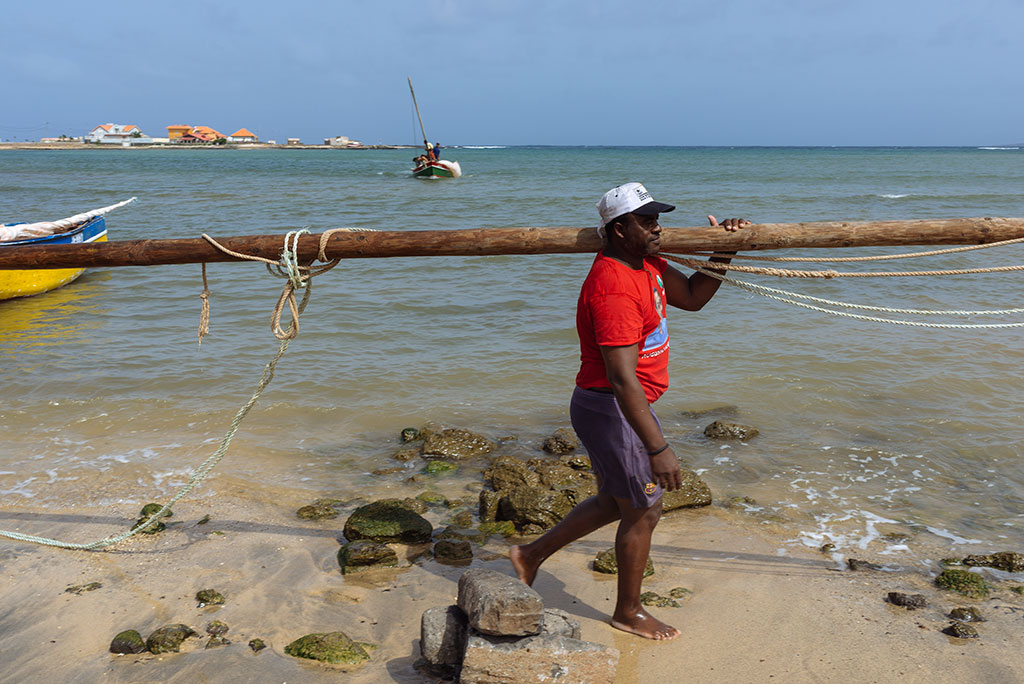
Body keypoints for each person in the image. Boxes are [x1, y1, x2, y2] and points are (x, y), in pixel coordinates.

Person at [510, 182, 749, 641]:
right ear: (620, 230)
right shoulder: (614, 287)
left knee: (614, 501)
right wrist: (658, 447)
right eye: (648, 222)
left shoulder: (648, 263)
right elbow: (621, 378)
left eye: (658, 219)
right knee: (644, 510)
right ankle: (629, 612)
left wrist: (726, 250)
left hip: (615, 405)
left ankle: (531, 554)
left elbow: (694, 297)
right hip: (610, 407)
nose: (658, 228)